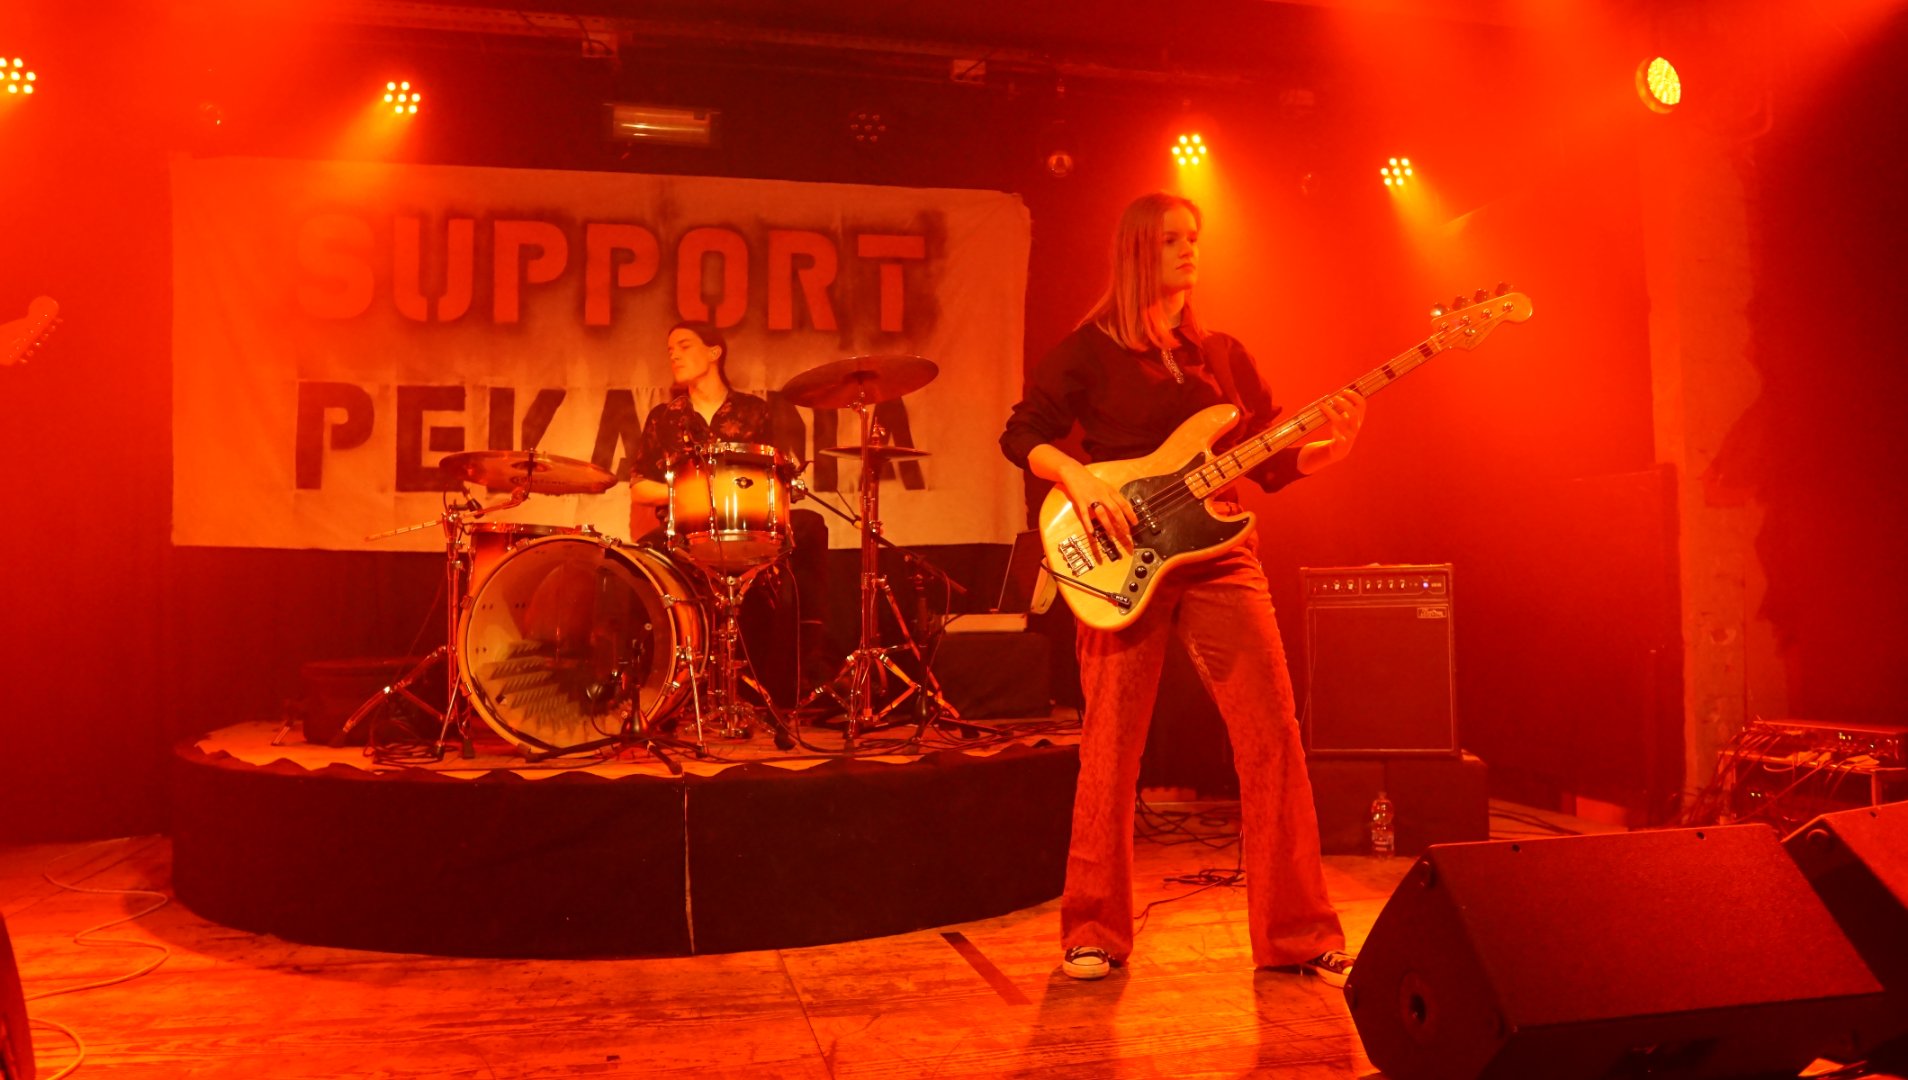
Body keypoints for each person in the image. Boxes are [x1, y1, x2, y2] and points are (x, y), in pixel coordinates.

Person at [999, 192, 1366, 985]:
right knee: (1111, 744)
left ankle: (1298, 934)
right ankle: (1093, 930)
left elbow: (1270, 461)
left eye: (1194, 238)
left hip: (1222, 554)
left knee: (1272, 736)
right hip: (1120, 553)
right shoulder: (1088, 351)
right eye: (1172, 240)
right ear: (1138, 250)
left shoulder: (1223, 355)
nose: (1190, 250)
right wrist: (1078, 480)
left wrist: (1329, 451)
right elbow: (1021, 434)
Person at [630, 321, 832, 707]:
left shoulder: (754, 411)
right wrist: (694, 492)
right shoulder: (664, 417)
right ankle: (650, 687)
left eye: (684, 346)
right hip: (684, 529)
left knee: (811, 526)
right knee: (630, 561)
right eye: (670, 349)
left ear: (714, 352)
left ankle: (805, 667)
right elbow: (639, 487)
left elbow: (775, 476)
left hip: (745, 525)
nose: (674, 355)